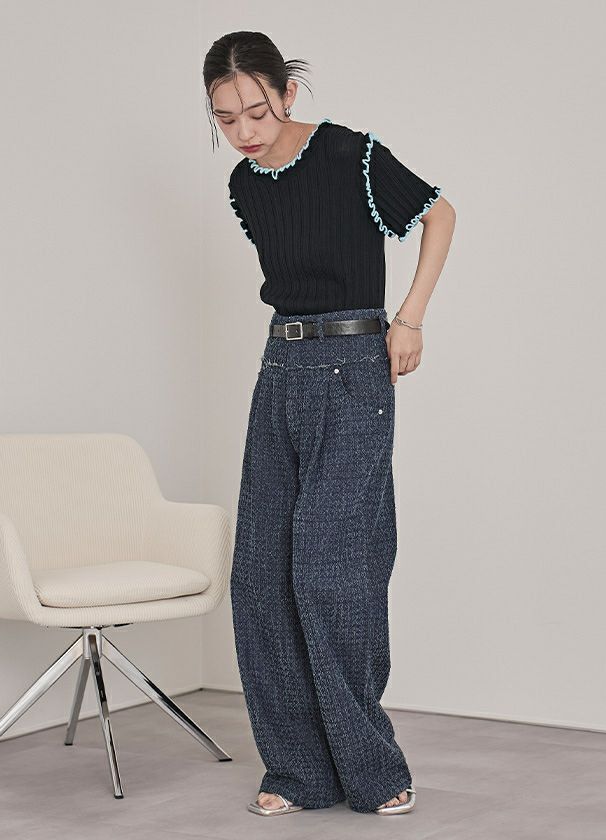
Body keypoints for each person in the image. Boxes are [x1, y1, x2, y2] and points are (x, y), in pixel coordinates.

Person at [203, 30, 456, 817]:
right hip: (279, 369)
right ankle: (297, 771)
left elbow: (441, 214)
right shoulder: (246, 185)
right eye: (226, 118)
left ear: (287, 92)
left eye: (257, 110)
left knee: (332, 569)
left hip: (354, 369)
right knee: (259, 576)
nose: (245, 130)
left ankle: (372, 769)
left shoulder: (351, 154)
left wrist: (409, 318)